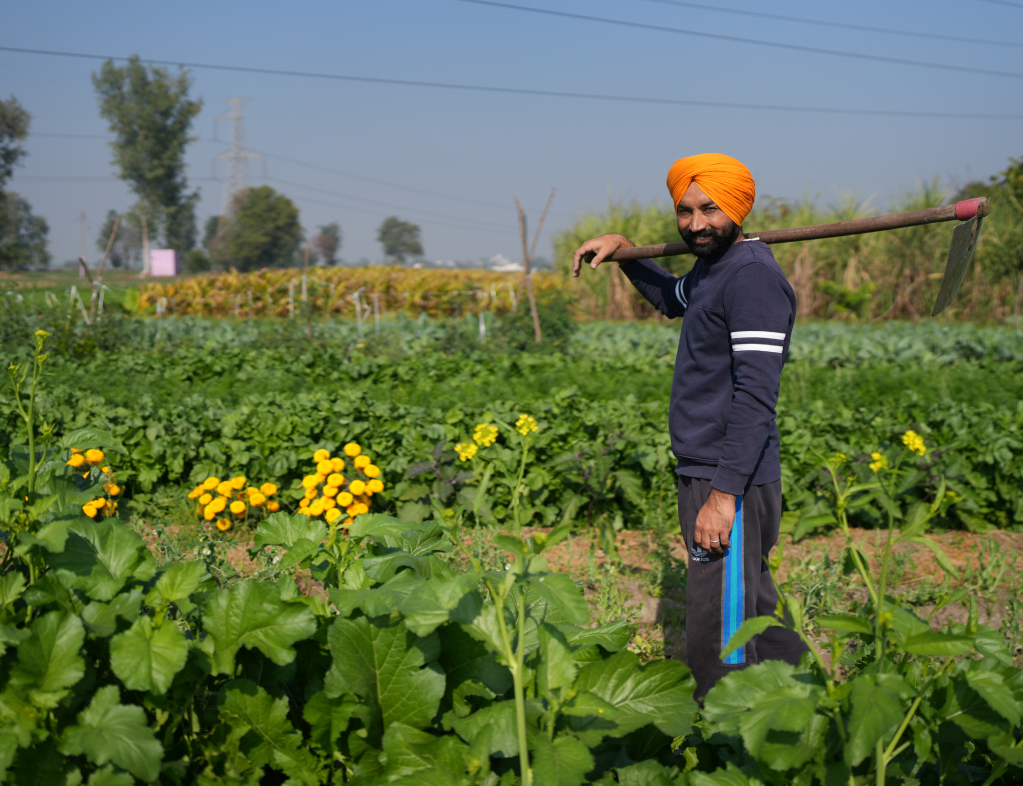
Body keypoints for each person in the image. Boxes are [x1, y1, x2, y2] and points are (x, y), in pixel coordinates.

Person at [571, 154, 807, 699]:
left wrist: (723, 496)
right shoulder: (713, 269)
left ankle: (722, 744)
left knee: (717, 626)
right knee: (754, 609)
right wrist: (625, 252)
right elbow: (671, 299)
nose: (696, 224)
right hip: (713, 468)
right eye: (685, 211)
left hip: (729, 475)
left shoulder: (752, 280)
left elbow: (756, 396)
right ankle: (805, 712)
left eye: (710, 209)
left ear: (738, 207)